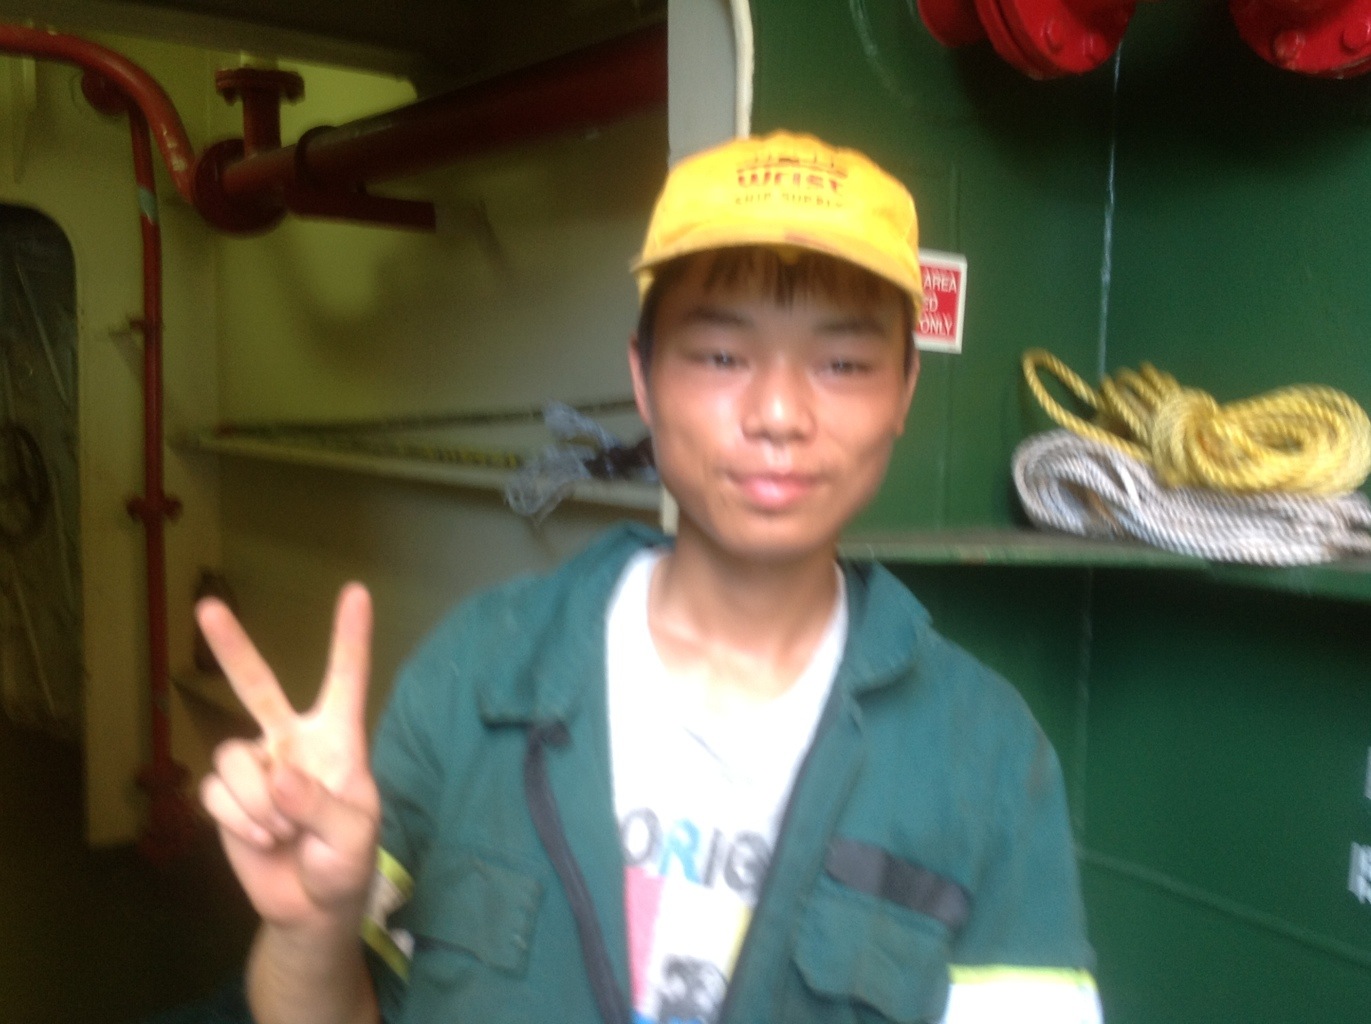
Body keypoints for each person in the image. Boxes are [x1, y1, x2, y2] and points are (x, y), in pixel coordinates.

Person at [198, 130, 1102, 1024]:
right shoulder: (475, 673)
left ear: (902, 389)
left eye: (842, 363)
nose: (777, 414)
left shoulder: (985, 757)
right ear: (643, 376)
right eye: (720, 355)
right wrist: (308, 932)